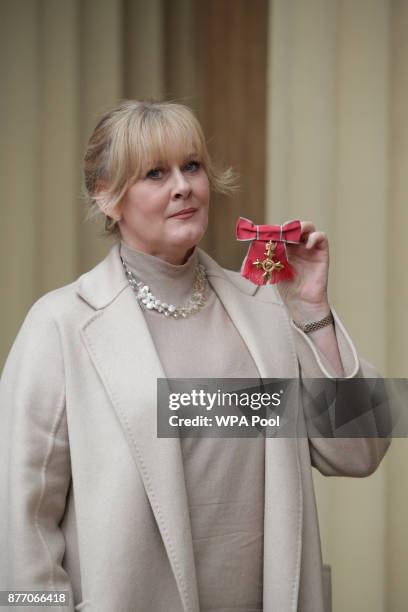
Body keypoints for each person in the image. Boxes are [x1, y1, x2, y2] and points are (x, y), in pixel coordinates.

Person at [0, 100, 389, 612]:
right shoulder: (61, 324)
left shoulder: (264, 306)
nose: (182, 185)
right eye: (155, 173)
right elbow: (20, 518)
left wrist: (311, 311)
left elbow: (358, 451)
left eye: (192, 166)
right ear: (107, 196)